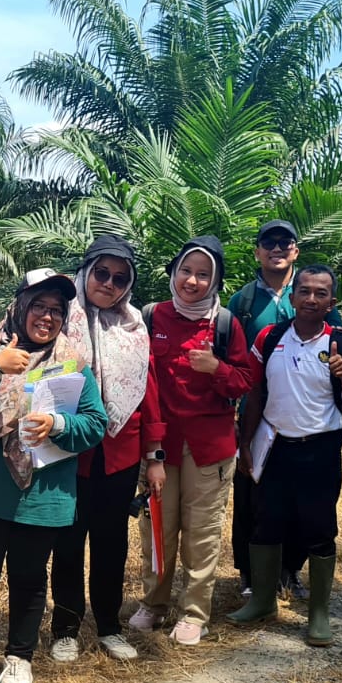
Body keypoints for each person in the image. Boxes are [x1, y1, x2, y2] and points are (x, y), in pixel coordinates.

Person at [0, 269, 108, 683]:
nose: (46, 317)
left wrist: (58, 423)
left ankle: (18, 658)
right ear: (20, 306)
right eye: (38, 306)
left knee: (30, 578)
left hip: (43, 494)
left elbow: (96, 423)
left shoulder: (71, 359)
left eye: (56, 310)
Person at [128, 237, 257, 646]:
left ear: (215, 280)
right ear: (173, 273)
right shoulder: (150, 318)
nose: (193, 281)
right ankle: (153, 603)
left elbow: (246, 380)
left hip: (209, 448)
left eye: (204, 274)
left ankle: (195, 613)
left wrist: (216, 367)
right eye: (186, 271)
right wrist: (149, 447)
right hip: (161, 446)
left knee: (202, 533)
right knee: (158, 529)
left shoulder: (225, 324)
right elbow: (140, 384)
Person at [232, 266, 342, 645]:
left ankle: (318, 613)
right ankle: (262, 601)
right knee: (264, 523)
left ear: (332, 303)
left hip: (320, 451)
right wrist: (245, 444)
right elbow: (255, 392)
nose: (311, 299)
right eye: (304, 291)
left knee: (319, 529)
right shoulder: (270, 335)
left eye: (321, 293)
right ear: (292, 298)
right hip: (274, 447)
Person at [48, 236, 164, 663]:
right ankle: (65, 627)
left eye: (120, 278)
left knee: (111, 543)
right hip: (67, 452)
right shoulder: (61, 317)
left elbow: (148, 393)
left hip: (119, 454)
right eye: (102, 273)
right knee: (68, 541)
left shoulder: (134, 328)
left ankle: (110, 626)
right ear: (86, 270)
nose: (109, 284)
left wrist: (154, 457)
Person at [227, 219, 339, 601]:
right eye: (268, 242)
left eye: (285, 242)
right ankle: (250, 573)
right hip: (256, 412)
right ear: (257, 251)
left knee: (299, 500)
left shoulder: (312, 288)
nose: (277, 247)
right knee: (251, 494)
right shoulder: (242, 301)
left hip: (309, 416)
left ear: (296, 250)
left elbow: (336, 343)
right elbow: (230, 355)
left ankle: (290, 570)